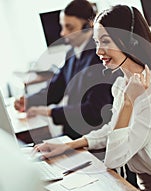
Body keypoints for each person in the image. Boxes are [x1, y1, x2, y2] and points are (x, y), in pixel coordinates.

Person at [34, 5, 151, 191]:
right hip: (143, 185)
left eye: (105, 41)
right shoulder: (123, 82)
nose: (98, 51)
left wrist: (128, 102)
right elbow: (114, 130)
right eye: (96, 42)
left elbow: (113, 159)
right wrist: (67, 146)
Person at [14, 0, 121, 140]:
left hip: (91, 138)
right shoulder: (72, 52)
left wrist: (51, 112)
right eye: (62, 26)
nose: (63, 33)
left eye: (69, 28)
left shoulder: (100, 58)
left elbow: (94, 111)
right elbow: (55, 88)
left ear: (89, 26)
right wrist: (29, 101)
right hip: (72, 133)